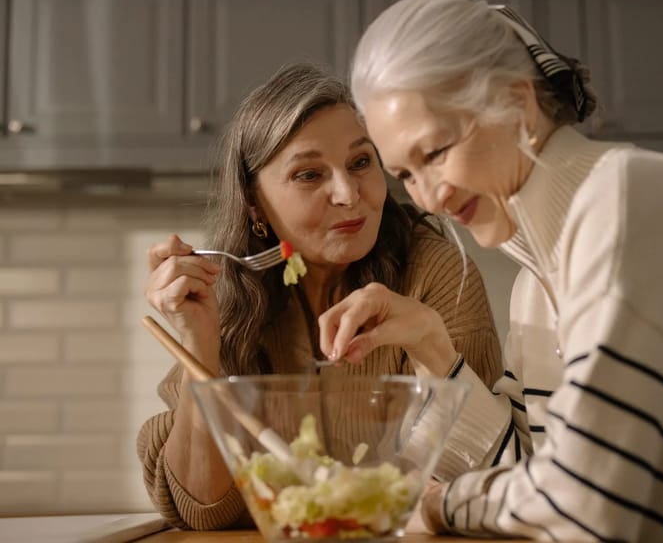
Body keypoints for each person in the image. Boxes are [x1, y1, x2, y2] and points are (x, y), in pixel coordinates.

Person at [316, 0, 663, 541]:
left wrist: (438, 507)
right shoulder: (535, 284)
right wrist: (432, 344)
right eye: (406, 174)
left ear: (517, 103)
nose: (427, 198)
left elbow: (590, 503)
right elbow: (532, 477)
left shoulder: (630, 199)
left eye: (435, 153)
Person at [137, 62, 503, 531]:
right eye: (309, 175)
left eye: (360, 162)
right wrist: (200, 341)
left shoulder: (437, 272)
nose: (349, 194)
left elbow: (465, 476)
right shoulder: (224, 293)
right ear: (253, 202)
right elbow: (202, 508)